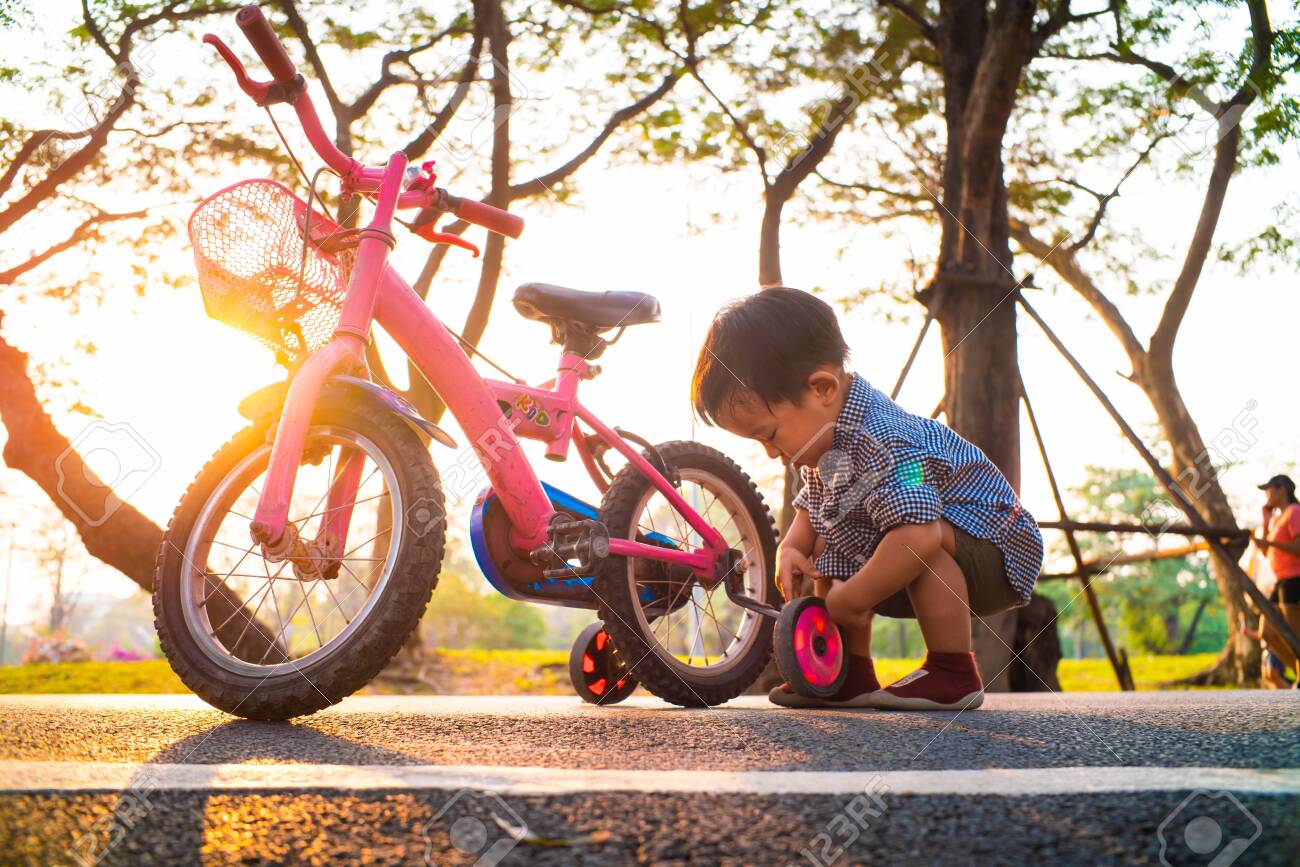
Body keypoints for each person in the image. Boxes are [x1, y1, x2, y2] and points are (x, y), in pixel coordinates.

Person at [690, 287, 1044, 710]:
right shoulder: (830, 442)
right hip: (936, 538)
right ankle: (850, 674)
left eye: (768, 434)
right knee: (830, 541)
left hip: (998, 550)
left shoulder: (883, 441)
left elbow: (920, 532)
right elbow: (815, 506)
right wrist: (793, 546)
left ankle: (953, 672)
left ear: (822, 388)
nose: (770, 451)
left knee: (918, 539)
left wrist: (852, 598)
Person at [1249, 474, 1300, 683]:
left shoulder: (1295, 512)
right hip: (1280, 581)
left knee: (1294, 638)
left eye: (1269, 490)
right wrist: (1265, 519)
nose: (1267, 495)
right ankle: (1298, 674)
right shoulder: (1277, 518)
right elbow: (1264, 552)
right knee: (1267, 632)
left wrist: (1272, 544)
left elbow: (1298, 548)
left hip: (1294, 579)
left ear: (1282, 490)